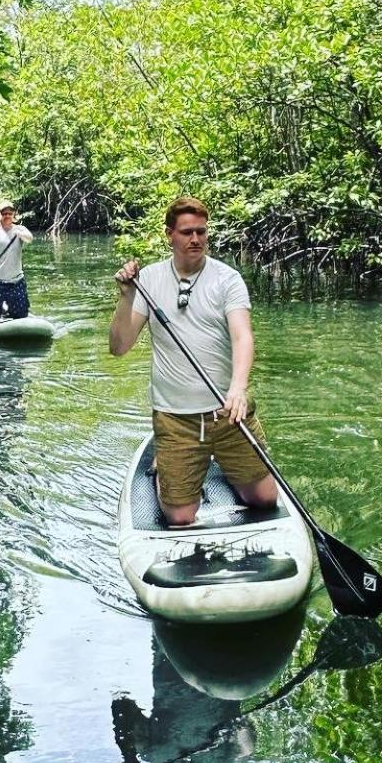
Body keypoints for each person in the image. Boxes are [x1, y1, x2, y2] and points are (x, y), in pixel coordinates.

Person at [109, 196, 277, 526]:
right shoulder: (150, 280)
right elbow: (119, 347)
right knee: (180, 516)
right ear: (170, 235)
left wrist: (239, 389)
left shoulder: (227, 279)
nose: (196, 239)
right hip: (176, 419)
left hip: (228, 412)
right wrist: (126, 296)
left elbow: (243, 336)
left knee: (265, 499)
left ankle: (223, 465)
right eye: (187, 232)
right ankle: (166, 467)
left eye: (201, 231)